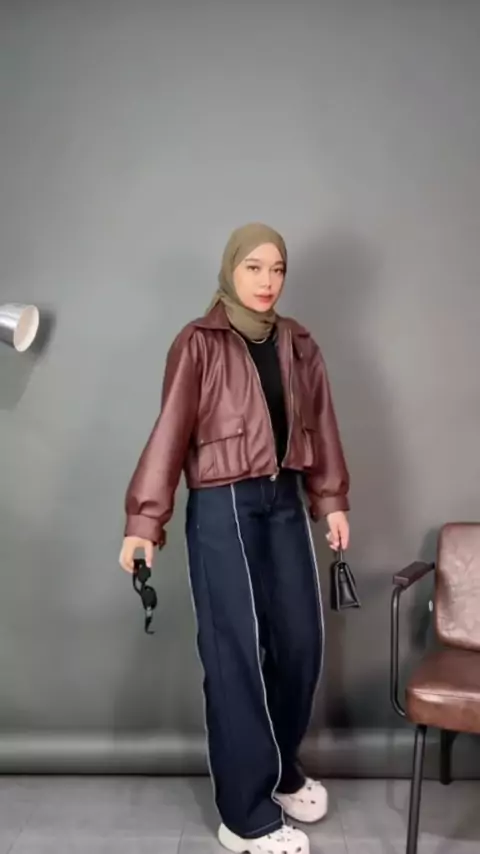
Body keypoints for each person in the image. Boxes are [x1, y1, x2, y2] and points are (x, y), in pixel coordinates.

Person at [119, 223, 350, 854]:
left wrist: (330, 500)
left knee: (301, 643)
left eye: (277, 269)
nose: (267, 281)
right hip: (222, 504)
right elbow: (170, 431)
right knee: (236, 656)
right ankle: (244, 816)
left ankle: (278, 772)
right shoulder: (198, 342)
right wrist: (145, 521)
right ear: (230, 269)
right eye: (254, 267)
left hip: (285, 501)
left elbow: (322, 423)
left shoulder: (299, 343)